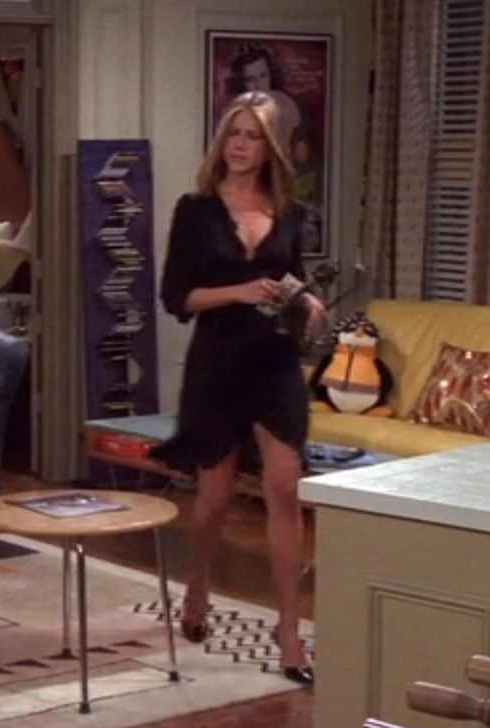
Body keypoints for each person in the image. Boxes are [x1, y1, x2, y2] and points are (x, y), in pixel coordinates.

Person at [150, 91, 325, 684]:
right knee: (216, 495)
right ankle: (197, 587)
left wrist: (307, 300)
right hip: (218, 361)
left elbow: (291, 278)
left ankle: (290, 632)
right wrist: (240, 292)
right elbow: (177, 297)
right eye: (234, 134)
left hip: (275, 363)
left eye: (252, 136)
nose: (241, 145)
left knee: (284, 489)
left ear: (271, 147)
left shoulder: (291, 212)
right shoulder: (195, 210)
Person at [226, 43, 301, 151]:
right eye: (250, 79)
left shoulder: (286, 104)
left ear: (271, 74)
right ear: (241, 82)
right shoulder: (234, 111)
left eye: (263, 75)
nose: (259, 85)